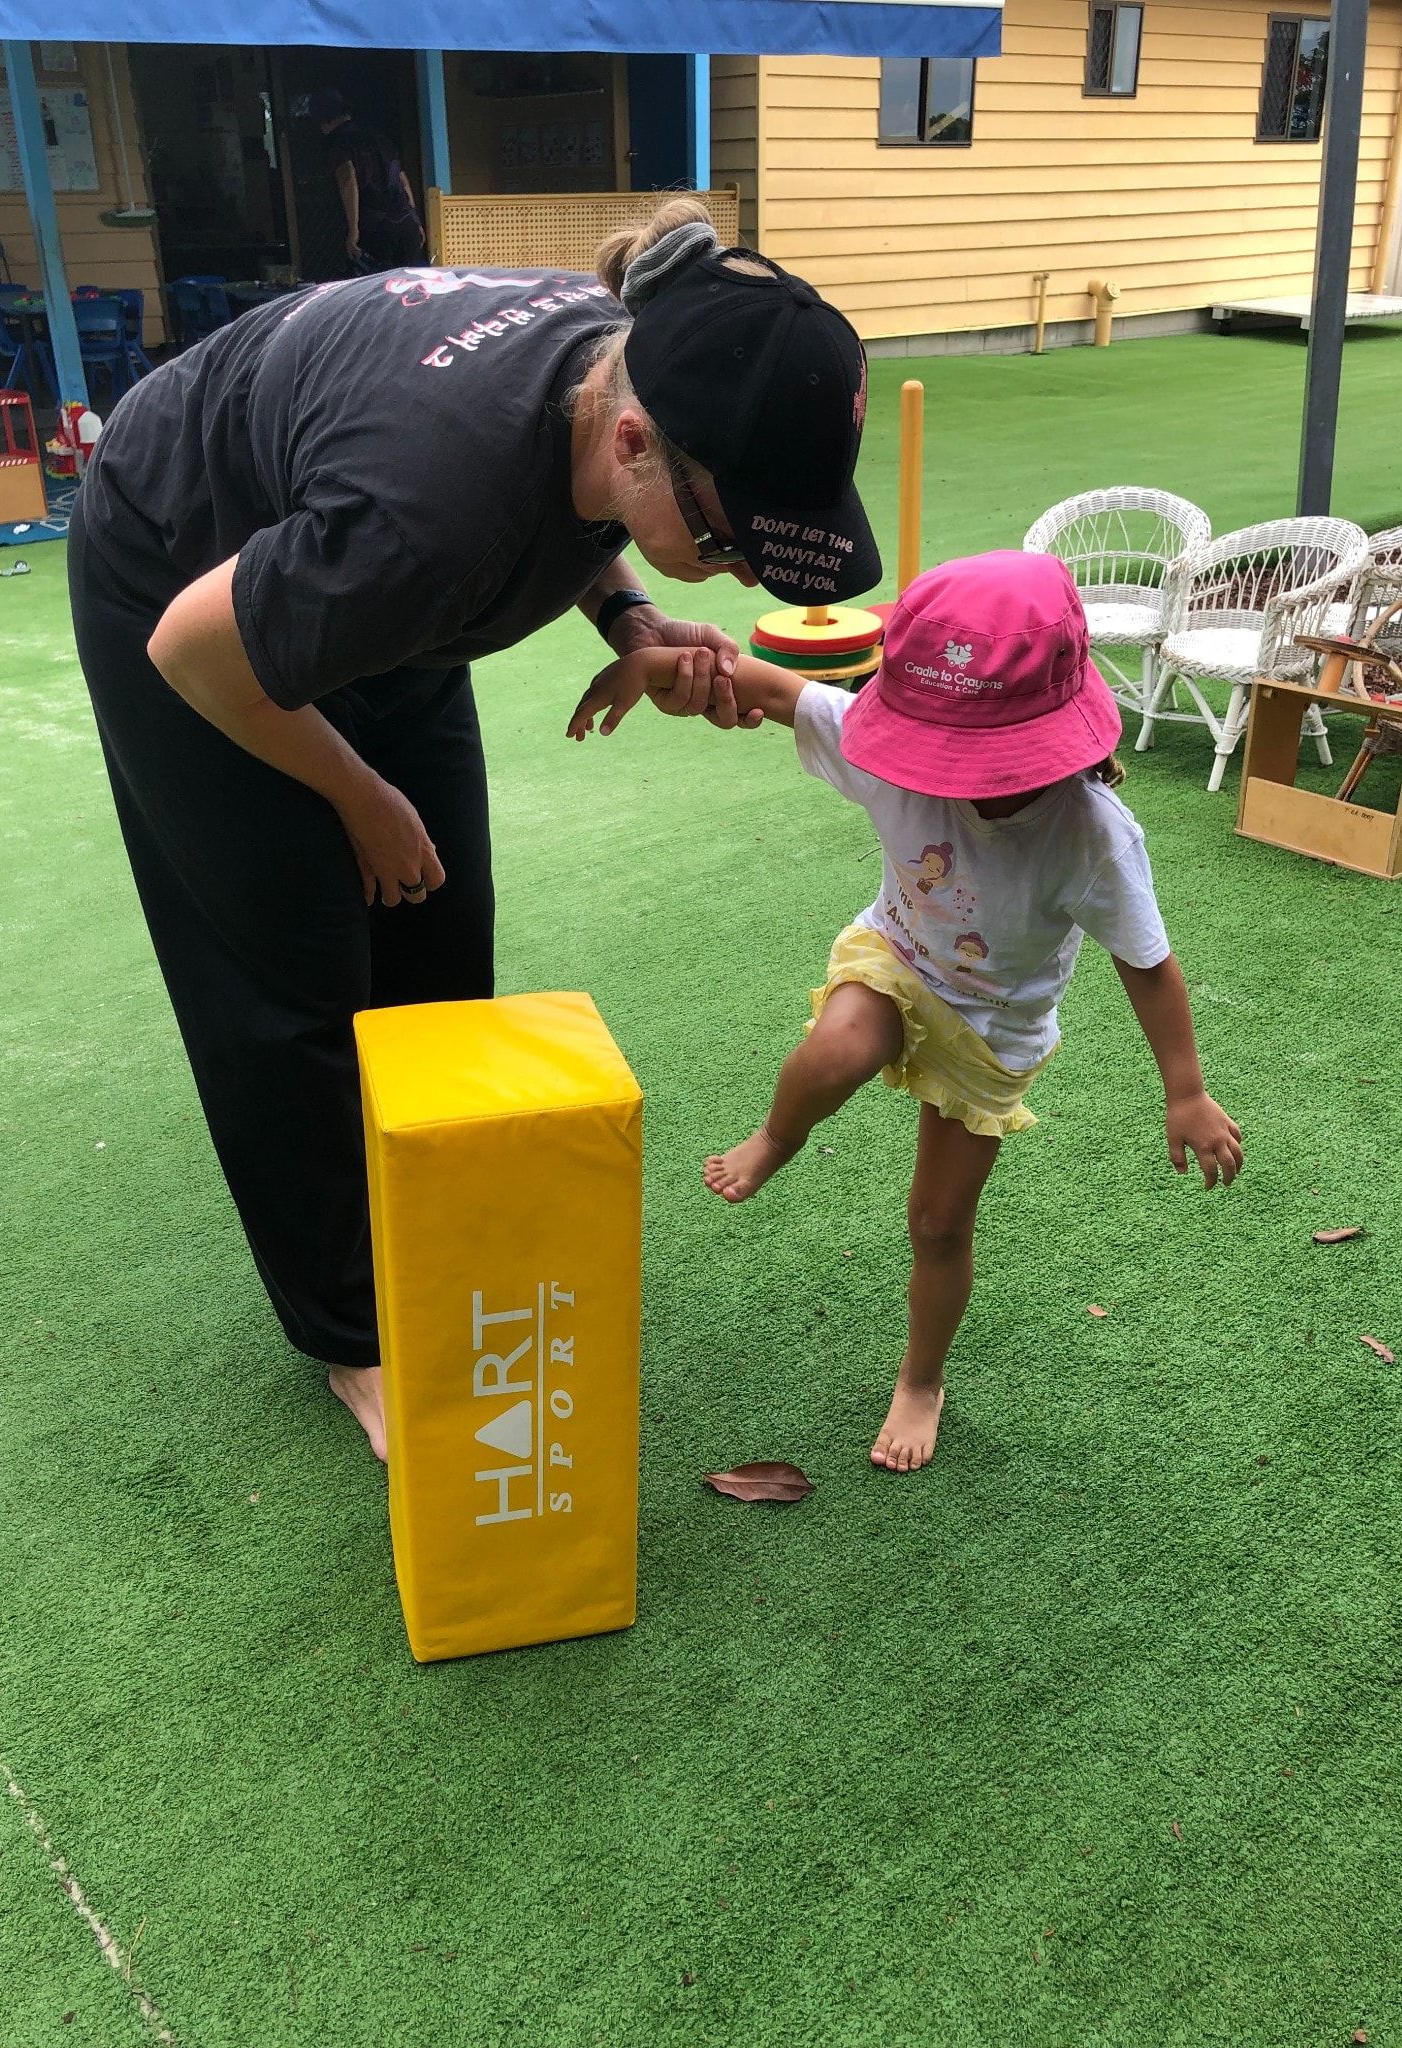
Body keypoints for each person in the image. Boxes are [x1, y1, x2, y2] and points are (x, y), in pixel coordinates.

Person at [67, 196, 881, 1460]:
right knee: (290, 973)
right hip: (177, 574)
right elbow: (197, 649)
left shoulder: (645, 351)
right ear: (633, 442)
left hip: (338, 551)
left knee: (442, 927)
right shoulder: (424, 520)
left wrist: (631, 621)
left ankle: (428, 1218)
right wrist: (358, 795)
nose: (737, 578)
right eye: (727, 542)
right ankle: (353, 1337)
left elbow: (573, 510)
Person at [568, 550, 1243, 1475]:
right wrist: (651, 663)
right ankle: (779, 1137)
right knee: (836, 1049)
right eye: (956, 758)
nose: (973, 783)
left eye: (999, 762)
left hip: (992, 1029)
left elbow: (1148, 964)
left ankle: (921, 1378)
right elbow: (772, 690)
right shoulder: (896, 760)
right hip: (896, 959)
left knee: (937, 1223)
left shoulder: (1090, 835)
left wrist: (1187, 1093)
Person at [310, 88, 426, 273]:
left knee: (374, 291)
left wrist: (353, 231)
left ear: (324, 118)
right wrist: (415, 219)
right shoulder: (379, 138)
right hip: (405, 225)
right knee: (407, 290)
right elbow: (402, 178)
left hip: (375, 228)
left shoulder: (338, 142)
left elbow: (348, 180)